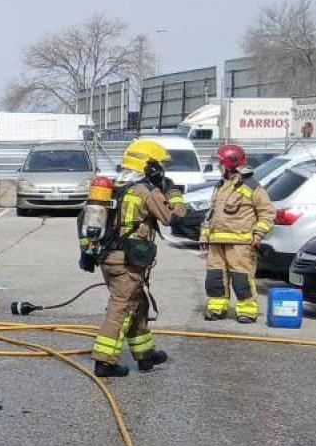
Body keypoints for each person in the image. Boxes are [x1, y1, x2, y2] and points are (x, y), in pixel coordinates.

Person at [83, 139, 185, 377]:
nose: (162, 170)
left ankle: (145, 355)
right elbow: (173, 217)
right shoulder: (144, 191)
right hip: (128, 260)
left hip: (109, 256)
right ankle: (104, 362)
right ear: (149, 166)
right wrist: (174, 193)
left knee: (138, 304)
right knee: (121, 307)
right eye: (160, 165)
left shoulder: (114, 185)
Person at [200, 143, 275, 323]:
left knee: (241, 279)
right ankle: (217, 309)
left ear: (230, 163)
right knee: (215, 278)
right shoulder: (221, 185)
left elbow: (267, 213)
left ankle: (247, 311)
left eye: (221, 163)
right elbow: (212, 212)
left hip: (241, 244)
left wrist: (258, 234)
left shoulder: (252, 186)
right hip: (216, 242)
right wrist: (204, 234)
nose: (219, 167)